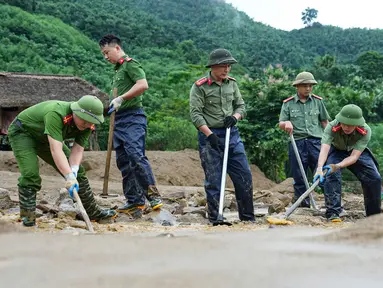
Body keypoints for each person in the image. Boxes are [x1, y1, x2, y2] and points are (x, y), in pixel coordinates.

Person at [7, 95, 117, 227]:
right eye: (84, 121)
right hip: (23, 133)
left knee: (79, 172)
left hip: (47, 139)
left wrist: (74, 172)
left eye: (91, 122)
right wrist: (68, 176)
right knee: (30, 173)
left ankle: (92, 212)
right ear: (76, 112)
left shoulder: (88, 125)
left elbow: (77, 149)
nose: (87, 124)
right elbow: (56, 150)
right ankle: (28, 217)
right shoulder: (56, 113)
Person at [99, 34, 162, 217]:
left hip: (133, 118)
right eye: (103, 54)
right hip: (119, 120)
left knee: (135, 155)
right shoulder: (117, 71)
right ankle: (135, 201)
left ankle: (153, 195)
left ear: (117, 48)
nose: (106, 57)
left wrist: (121, 97)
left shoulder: (130, 64)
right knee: (124, 162)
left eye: (107, 52)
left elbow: (143, 85)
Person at [189, 48, 255, 223]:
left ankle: (248, 218)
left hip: (231, 134)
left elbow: (241, 106)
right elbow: (195, 115)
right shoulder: (199, 86)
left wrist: (235, 117)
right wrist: (210, 135)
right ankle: (215, 217)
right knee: (214, 179)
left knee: (244, 176)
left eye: (229, 66)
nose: (227, 69)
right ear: (213, 66)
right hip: (209, 136)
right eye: (223, 66)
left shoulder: (232, 84)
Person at [313, 104, 381, 222]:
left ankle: (373, 216)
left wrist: (337, 166)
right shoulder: (331, 127)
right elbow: (324, 148)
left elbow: (354, 157)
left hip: (356, 152)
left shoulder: (365, 130)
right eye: (344, 123)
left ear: (357, 124)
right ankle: (333, 213)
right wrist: (319, 168)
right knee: (331, 175)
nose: (346, 127)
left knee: (374, 178)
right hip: (336, 150)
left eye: (350, 125)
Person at [279, 72, 331, 207]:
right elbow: (281, 123)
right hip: (297, 142)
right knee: (299, 176)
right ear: (297, 86)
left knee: (323, 172)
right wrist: (286, 124)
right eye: (305, 86)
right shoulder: (288, 103)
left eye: (310, 86)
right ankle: (303, 206)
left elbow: (325, 122)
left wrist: (330, 140)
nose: (308, 88)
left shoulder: (318, 102)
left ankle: (332, 205)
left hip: (316, 142)